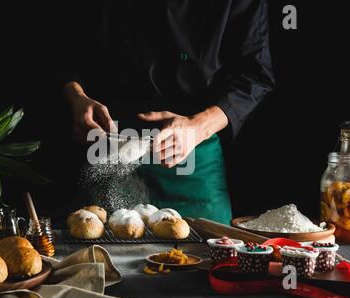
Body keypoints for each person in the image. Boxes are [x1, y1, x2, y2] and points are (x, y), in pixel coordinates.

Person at [60, 0, 274, 224]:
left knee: (206, 256)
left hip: (193, 152)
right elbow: (62, 44)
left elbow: (256, 74)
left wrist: (198, 126)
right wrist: (75, 95)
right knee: (101, 251)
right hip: (108, 143)